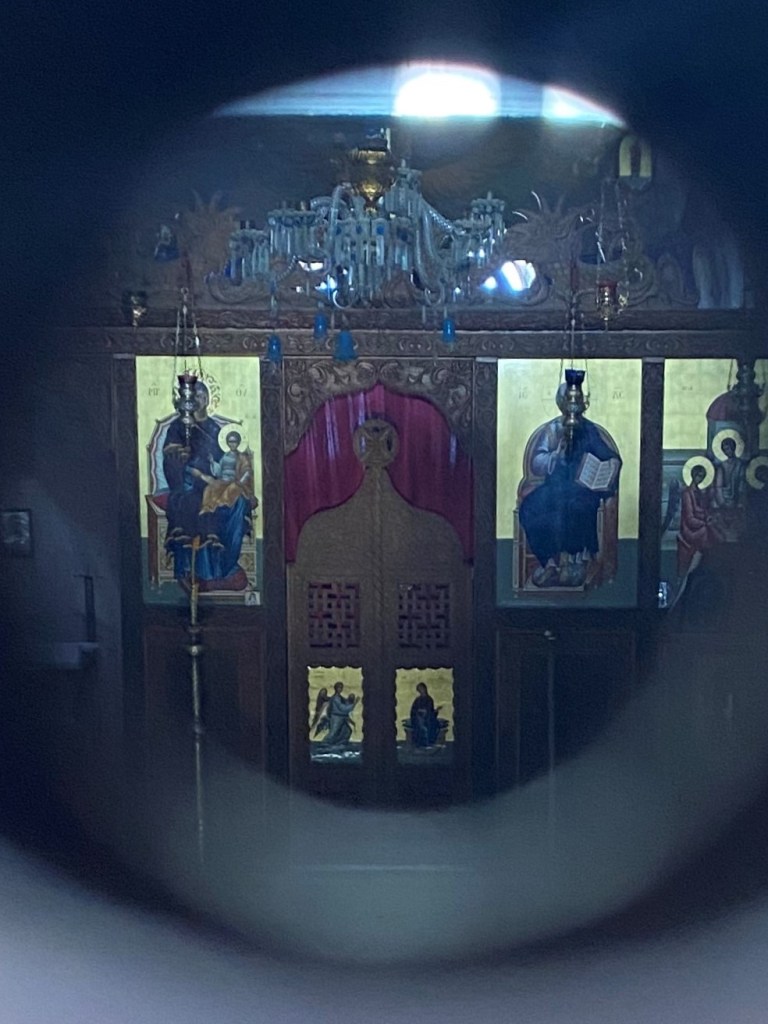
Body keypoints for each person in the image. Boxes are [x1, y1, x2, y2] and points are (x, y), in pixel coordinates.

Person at [518, 381, 622, 588]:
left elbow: (606, 454)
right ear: (561, 403)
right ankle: (549, 563)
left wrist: (612, 462)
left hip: (583, 489)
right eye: (568, 401)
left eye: (576, 400)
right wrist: (555, 456)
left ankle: (575, 562)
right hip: (554, 487)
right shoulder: (552, 430)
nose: (572, 405)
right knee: (530, 507)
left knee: (577, 507)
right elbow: (537, 460)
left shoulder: (589, 430)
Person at [162, 381, 252, 591]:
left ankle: (226, 567)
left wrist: (230, 474)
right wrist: (182, 459)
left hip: (214, 483)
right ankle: (194, 570)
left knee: (239, 503)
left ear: (208, 400)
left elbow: (224, 461)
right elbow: (170, 460)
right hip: (188, 484)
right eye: (195, 397)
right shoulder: (178, 427)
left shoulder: (214, 428)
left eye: (203, 396)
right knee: (195, 505)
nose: (199, 401)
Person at [676, 461, 725, 577]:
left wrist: (708, 517)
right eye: (698, 475)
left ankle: (708, 567)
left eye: (702, 476)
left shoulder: (699, 492)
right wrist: (705, 522)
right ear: (693, 475)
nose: (700, 478)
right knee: (707, 532)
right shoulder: (687, 493)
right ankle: (697, 568)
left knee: (718, 533)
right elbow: (689, 517)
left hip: (699, 524)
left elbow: (701, 510)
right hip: (689, 529)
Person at [314, 681, 357, 749]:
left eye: (341, 688)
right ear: (336, 688)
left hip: (342, 717)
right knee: (333, 733)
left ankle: (340, 743)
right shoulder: (335, 698)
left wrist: (351, 699)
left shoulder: (340, 697)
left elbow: (346, 703)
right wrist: (353, 705)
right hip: (336, 717)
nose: (340, 689)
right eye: (339, 688)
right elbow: (342, 708)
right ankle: (324, 744)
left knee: (347, 731)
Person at [409, 681, 443, 748]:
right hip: (418, 718)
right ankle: (419, 743)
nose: (421, 691)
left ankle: (428, 742)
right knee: (418, 724)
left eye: (421, 689)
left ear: (425, 689)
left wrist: (435, 711)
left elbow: (430, 711)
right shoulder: (417, 700)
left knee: (431, 723)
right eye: (419, 690)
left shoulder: (429, 699)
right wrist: (419, 713)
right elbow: (413, 710)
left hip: (427, 719)